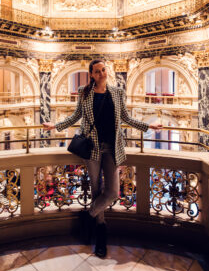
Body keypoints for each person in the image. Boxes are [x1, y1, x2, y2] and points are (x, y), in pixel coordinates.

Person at [43, 59, 162, 258]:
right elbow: (75, 117)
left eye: (103, 70)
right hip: (93, 149)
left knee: (113, 192)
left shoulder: (117, 92)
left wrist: (148, 127)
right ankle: (100, 239)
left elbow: (126, 118)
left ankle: (87, 218)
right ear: (91, 74)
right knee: (97, 191)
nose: (101, 73)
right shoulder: (85, 92)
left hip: (112, 148)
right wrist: (56, 126)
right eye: (97, 71)